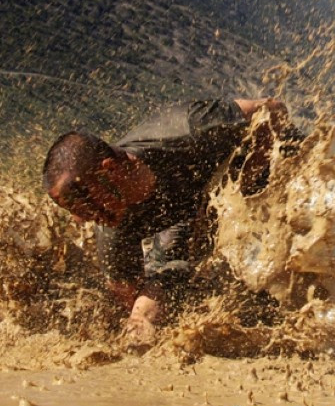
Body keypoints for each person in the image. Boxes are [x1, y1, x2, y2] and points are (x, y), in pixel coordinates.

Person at [42, 97, 292, 346]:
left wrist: (250, 183)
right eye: (71, 211)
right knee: (144, 309)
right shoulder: (113, 230)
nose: (79, 219)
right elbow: (127, 294)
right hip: (187, 219)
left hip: (266, 174)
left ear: (110, 171)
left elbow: (271, 109)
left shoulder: (187, 129)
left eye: (82, 204)